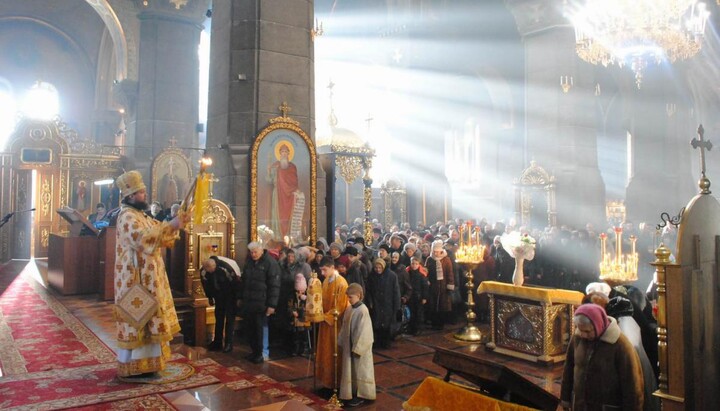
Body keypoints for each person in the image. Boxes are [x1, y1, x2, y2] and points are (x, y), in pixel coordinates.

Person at [113, 170, 188, 379]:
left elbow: (160, 232)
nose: (145, 195)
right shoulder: (127, 216)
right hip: (135, 279)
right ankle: (135, 365)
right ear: (130, 196)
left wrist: (177, 221)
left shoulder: (140, 215)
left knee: (150, 317)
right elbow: (142, 238)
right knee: (139, 318)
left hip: (149, 276)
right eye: (141, 193)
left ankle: (151, 363)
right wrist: (171, 225)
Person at [561, 303, 644, 411]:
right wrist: (565, 399)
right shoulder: (577, 338)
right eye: (580, 330)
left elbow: (633, 385)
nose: (583, 335)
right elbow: (568, 369)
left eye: (587, 331)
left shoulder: (620, 345)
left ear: (598, 324)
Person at [240, 242, 281, 364]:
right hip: (249, 302)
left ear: (261, 250)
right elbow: (244, 282)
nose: (253, 255)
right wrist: (240, 298)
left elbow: (274, 286)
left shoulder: (270, 263)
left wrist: (272, 305)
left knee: (260, 329)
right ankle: (254, 352)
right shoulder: (249, 262)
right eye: (251, 252)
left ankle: (261, 353)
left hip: (262, 303)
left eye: (255, 252)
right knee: (250, 328)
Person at [338, 283, 376, 407]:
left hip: (359, 349)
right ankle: (351, 393)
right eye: (348, 297)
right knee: (351, 372)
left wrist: (358, 348)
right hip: (349, 346)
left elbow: (365, 332)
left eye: (351, 297)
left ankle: (362, 395)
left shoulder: (363, 310)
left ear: (359, 296)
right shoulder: (349, 309)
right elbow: (344, 326)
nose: (349, 300)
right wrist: (341, 341)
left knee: (360, 371)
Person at [316, 256, 349, 391]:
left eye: (324, 270)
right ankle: (326, 382)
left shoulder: (341, 283)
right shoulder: (325, 282)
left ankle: (336, 382)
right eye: (321, 270)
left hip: (335, 324)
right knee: (325, 351)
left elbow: (341, 306)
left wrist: (325, 316)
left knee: (335, 351)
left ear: (331, 267)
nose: (322, 273)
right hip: (324, 323)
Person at [200, 256, 242, 353]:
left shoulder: (225, 267)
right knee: (218, 318)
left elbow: (236, 282)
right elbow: (205, 284)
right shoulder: (203, 270)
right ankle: (217, 342)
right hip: (218, 296)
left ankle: (228, 344)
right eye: (207, 270)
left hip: (230, 295)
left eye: (211, 269)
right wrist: (210, 297)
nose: (209, 272)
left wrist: (238, 298)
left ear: (214, 265)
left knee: (230, 320)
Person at [267, 143, 301, 240]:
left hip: (290, 196)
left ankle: (290, 236)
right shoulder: (275, 166)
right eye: (282, 152)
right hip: (278, 194)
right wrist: (269, 171)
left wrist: (296, 192)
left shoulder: (293, 167)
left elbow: (295, 182)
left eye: (286, 151)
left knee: (290, 215)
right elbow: (269, 180)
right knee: (277, 215)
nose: (284, 153)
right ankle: (278, 235)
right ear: (279, 154)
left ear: (289, 153)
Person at [366, 258, 401, 349]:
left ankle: (386, 342)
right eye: (376, 267)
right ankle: (377, 342)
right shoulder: (371, 276)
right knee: (376, 323)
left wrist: (397, 306)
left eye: (380, 267)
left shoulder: (392, 276)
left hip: (388, 303)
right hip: (376, 304)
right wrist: (370, 302)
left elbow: (396, 292)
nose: (378, 270)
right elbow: (368, 290)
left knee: (387, 324)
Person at [425, 240, 455, 330]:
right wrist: (427, 280)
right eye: (434, 252)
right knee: (433, 305)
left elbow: (450, 273)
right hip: (433, 285)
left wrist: (450, 284)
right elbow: (426, 271)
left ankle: (441, 323)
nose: (436, 253)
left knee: (442, 305)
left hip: (443, 286)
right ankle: (434, 322)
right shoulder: (429, 259)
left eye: (437, 251)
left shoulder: (446, 260)